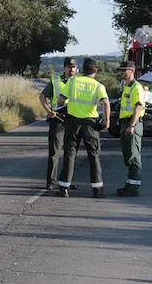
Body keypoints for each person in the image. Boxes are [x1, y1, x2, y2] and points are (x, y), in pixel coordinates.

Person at [56, 57, 110, 198]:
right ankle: (97, 190)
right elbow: (105, 103)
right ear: (96, 70)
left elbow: (61, 100)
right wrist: (107, 120)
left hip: (73, 122)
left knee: (70, 154)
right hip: (90, 124)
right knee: (93, 156)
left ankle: (63, 187)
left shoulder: (73, 81)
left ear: (83, 69)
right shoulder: (99, 86)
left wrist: (67, 108)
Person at [38, 57, 77, 189]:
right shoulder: (55, 81)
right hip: (58, 119)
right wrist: (48, 111)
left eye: (73, 67)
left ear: (77, 69)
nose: (71, 69)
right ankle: (51, 181)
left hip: (73, 119)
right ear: (64, 68)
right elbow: (42, 96)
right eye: (69, 67)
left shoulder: (79, 82)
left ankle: (66, 180)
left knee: (70, 152)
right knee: (55, 152)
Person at [116, 61, 145, 197]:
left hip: (132, 123)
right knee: (128, 156)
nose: (121, 72)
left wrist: (132, 125)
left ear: (132, 71)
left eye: (124, 70)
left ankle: (133, 188)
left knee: (134, 157)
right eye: (120, 70)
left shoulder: (136, 87)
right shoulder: (127, 86)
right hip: (125, 123)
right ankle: (129, 185)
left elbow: (138, 107)